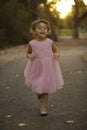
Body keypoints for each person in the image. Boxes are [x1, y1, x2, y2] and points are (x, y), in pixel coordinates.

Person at [24, 19, 64, 116]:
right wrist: (30, 56)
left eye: (45, 28)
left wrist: (56, 54)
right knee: (38, 86)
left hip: (48, 68)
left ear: (48, 31)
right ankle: (39, 93)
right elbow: (28, 53)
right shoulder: (32, 43)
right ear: (34, 31)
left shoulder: (50, 42)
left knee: (45, 88)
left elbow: (55, 50)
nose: (42, 30)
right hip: (36, 68)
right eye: (39, 28)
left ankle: (43, 108)